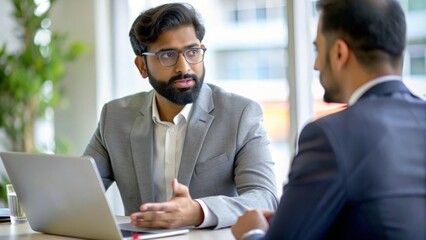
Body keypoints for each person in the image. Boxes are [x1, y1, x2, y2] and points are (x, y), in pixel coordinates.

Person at [232, 0, 426, 239]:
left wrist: (251, 233)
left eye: (317, 50)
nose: (315, 65)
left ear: (339, 53)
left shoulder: (330, 136)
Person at [83, 3, 278, 230]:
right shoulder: (115, 117)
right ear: (142, 66)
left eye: (192, 51)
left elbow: (265, 198)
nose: (184, 67)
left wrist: (198, 212)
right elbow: (79, 192)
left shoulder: (241, 115)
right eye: (167, 55)